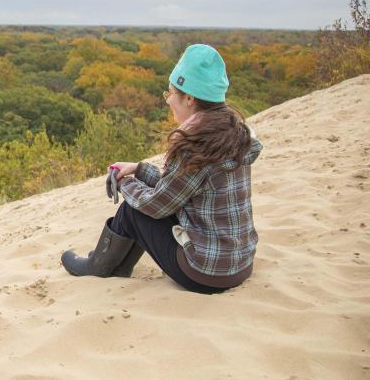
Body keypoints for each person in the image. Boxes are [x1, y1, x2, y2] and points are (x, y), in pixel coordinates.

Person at [61, 44, 263, 294]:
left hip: (205, 274)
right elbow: (182, 188)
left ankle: (98, 266)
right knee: (138, 200)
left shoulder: (197, 146)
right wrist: (139, 170)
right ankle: (115, 268)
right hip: (239, 264)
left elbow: (157, 206)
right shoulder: (230, 135)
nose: (168, 100)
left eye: (170, 93)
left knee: (134, 210)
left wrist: (125, 184)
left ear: (189, 97)